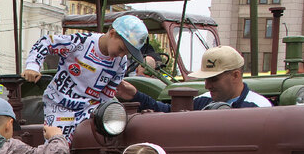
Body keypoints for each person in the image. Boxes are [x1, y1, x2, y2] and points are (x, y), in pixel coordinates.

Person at [22, 14, 149, 138]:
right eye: (121, 49)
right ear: (112, 34)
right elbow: (47, 42)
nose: (121, 55)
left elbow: (108, 93)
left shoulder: (120, 62)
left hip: (89, 108)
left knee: (101, 138)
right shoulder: (81, 42)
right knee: (58, 144)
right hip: (59, 104)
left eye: (126, 53)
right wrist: (33, 66)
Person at [116, 45, 272, 111]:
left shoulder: (259, 108)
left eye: (213, 79)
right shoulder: (203, 101)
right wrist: (135, 96)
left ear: (235, 75)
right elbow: (171, 114)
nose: (207, 85)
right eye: (206, 79)